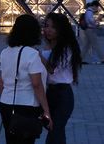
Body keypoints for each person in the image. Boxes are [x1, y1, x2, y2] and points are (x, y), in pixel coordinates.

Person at [0, 14, 52, 144]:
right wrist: (46, 110)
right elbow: (36, 84)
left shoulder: (5, 52)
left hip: (6, 104)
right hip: (27, 107)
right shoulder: (32, 54)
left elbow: (1, 81)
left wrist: (4, 100)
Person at [40, 13, 82, 144]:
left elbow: (52, 69)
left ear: (61, 29)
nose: (48, 30)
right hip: (50, 93)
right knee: (56, 130)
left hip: (63, 95)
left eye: (53, 27)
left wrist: (35, 54)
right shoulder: (47, 45)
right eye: (46, 26)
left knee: (55, 131)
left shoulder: (66, 48)